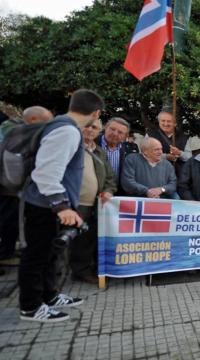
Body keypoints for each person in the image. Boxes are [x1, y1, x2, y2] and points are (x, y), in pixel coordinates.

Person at [19, 89, 104, 322]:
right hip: (45, 206)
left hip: (50, 205)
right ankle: (31, 306)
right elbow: (46, 172)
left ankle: (49, 295)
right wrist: (62, 206)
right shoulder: (66, 131)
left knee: (50, 255)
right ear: (96, 113)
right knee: (37, 256)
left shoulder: (63, 126)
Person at [0, 106, 53, 261]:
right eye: (46, 121)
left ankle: (8, 250)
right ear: (33, 120)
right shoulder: (18, 131)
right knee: (8, 221)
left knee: (14, 222)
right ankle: (4, 254)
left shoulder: (15, 130)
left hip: (13, 187)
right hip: (9, 187)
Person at [69, 119, 117, 283]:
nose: (90, 130)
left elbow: (110, 177)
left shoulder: (100, 152)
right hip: (74, 203)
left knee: (89, 239)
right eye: (87, 126)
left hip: (97, 204)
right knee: (73, 240)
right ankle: (74, 272)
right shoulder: (71, 147)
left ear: (99, 131)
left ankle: (85, 270)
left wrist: (109, 191)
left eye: (94, 127)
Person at [96, 117, 139, 192]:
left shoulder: (128, 150)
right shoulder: (92, 143)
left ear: (125, 136)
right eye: (112, 129)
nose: (115, 133)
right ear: (105, 127)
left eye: (120, 132)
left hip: (116, 196)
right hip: (93, 192)